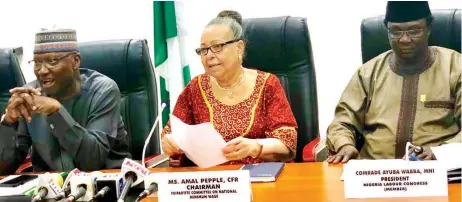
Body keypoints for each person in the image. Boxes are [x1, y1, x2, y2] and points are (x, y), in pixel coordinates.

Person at [326, 1, 461, 163]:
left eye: (414, 30)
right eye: (396, 31)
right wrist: (345, 145)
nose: (404, 39)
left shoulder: (455, 67)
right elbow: (342, 122)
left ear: (429, 28)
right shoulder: (368, 73)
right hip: (374, 175)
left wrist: (441, 153)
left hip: (435, 171)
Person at [160, 10, 298, 167]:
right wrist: (169, 141)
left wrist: (256, 147)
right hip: (211, 182)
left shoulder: (268, 84)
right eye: (203, 49)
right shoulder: (195, 88)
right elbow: (171, 132)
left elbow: (287, 140)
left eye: (217, 46)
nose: (209, 55)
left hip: (260, 176)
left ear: (239, 48)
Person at [0, 28, 131, 174]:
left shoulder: (103, 91)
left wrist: (57, 111)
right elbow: (5, 167)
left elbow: (92, 161)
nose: (42, 70)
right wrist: (8, 121)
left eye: (52, 61)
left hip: (108, 186)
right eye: (37, 62)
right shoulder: (30, 96)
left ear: (75, 61)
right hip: (49, 191)